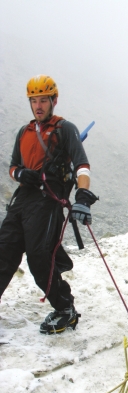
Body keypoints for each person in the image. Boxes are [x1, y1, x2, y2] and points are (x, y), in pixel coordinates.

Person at [0, 74, 98, 334]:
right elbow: (12, 166)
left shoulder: (65, 129)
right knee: (4, 252)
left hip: (48, 200)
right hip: (22, 199)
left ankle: (65, 309)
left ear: (54, 100)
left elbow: (82, 165)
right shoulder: (24, 132)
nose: (38, 106)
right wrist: (20, 174)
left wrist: (83, 196)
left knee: (39, 258)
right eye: (34, 101)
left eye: (43, 100)